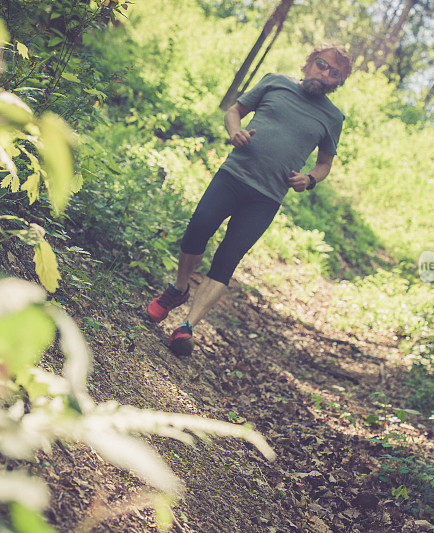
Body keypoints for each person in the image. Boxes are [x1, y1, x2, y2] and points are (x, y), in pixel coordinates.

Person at [146, 42, 352, 356]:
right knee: (197, 229)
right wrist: (235, 131)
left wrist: (309, 179)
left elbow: (325, 163)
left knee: (228, 258)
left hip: (267, 197)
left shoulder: (332, 118)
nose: (324, 74)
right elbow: (234, 111)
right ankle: (178, 288)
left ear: (339, 83)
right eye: (321, 64)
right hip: (233, 174)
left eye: (333, 73)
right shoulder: (275, 82)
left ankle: (186, 327)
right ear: (308, 62)